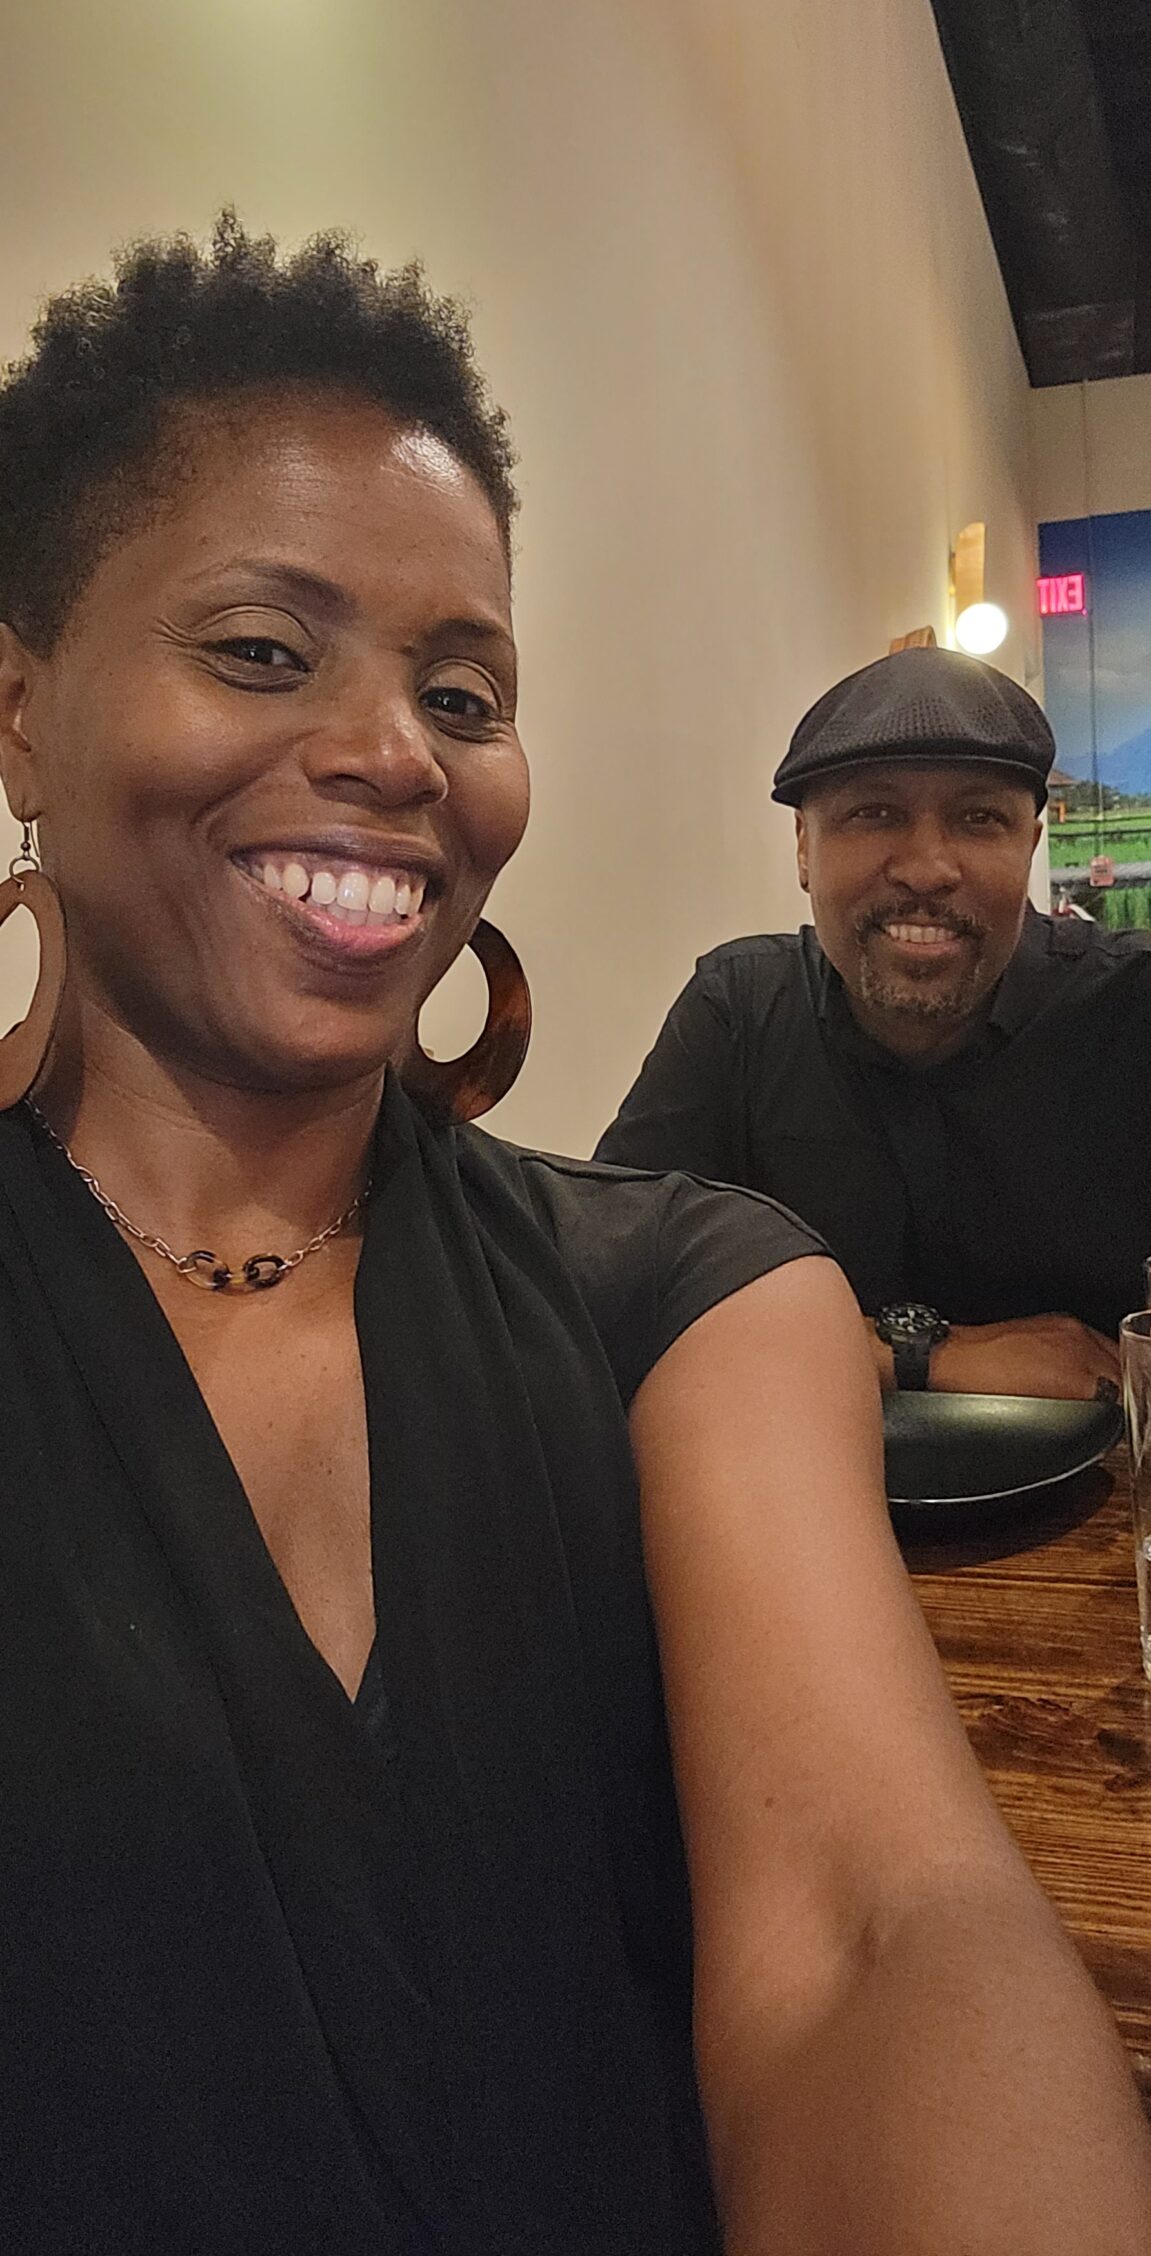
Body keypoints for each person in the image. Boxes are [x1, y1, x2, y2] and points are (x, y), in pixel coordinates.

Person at [0, 220, 1146, 2256]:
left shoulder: (672, 1290)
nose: (394, 751)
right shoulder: (739, 1015)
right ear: (21, 709)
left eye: (462, 690)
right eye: (260, 649)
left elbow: (883, 1923)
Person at [598, 646, 1151, 1401]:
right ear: (803, 847)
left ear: (1028, 844)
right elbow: (610, 1298)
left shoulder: (1131, 1013)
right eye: (874, 814)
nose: (926, 868)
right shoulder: (739, 1014)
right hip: (782, 1469)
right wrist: (927, 1356)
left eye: (979, 818)